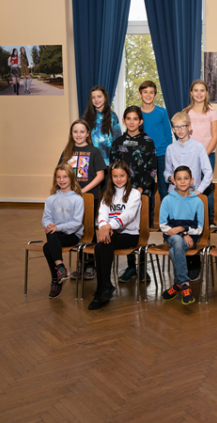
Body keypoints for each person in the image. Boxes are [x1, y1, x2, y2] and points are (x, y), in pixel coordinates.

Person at [164, 111, 213, 282]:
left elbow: (208, 172)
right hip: (175, 197)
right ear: (173, 129)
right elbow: (166, 171)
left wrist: (199, 191)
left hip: (192, 197)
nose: (180, 130)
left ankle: (193, 261)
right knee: (176, 230)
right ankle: (183, 268)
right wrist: (171, 177)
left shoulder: (198, 147)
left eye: (183, 126)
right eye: (176, 127)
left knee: (191, 230)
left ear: (189, 127)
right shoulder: (170, 149)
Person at [111, 106, 157, 283]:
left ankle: (143, 267)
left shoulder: (148, 142)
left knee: (141, 228)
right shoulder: (117, 143)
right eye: (128, 118)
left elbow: (152, 169)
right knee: (125, 228)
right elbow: (113, 168)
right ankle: (131, 267)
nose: (131, 122)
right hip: (122, 194)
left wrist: (139, 191)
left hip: (142, 193)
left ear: (140, 121)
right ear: (123, 121)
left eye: (135, 119)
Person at [89, 161, 142, 310]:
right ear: (111, 178)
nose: (118, 179)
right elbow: (102, 214)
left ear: (128, 176)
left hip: (130, 234)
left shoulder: (134, 194)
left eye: (122, 175)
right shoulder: (108, 194)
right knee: (101, 246)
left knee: (102, 245)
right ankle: (104, 286)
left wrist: (108, 226)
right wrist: (104, 226)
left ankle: (102, 288)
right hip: (111, 233)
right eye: (115, 176)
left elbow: (128, 215)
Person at [58, 120, 106, 280]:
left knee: (89, 229)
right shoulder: (67, 152)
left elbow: (100, 175)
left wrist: (82, 191)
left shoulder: (94, 151)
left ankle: (91, 265)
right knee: (76, 229)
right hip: (70, 198)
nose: (78, 135)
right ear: (71, 134)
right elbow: (60, 173)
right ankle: (81, 265)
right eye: (75, 131)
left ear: (87, 134)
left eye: (82, 131)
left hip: (88, 197)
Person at [159, 166, 205, 306]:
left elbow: (199, 229)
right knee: (177, 241)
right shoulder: (167, 200)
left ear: (192, 180)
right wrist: (183, 232)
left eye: (186, 178)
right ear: (174, 181)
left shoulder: (197, 202)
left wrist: (183, 229)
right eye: (179, 179)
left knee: (174, 251)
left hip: (191, 238)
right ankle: (185, 283)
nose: (183, 181)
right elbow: (163, 226)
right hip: (172, 237)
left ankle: (178, 284)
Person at [42, 165, 85, 298]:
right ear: (55, 179)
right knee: (50, 236)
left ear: (71, 178)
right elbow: (46, 218)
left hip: (72, 234)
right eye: (58, 177)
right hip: (56, 234)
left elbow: (77, 223)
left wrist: (57, 227)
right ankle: (60, 269)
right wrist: (49, 225)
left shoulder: (78, 199)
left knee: (48, 246)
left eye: (65, 177)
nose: (62, 180)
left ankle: (56, 278)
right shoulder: (50, 199)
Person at [184, 79, 217, 224]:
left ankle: (209, 218)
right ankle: (191, 217)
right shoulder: (186, 112)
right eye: (196, 90)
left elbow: (215, 136)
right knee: (190, 185)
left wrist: (204, 155)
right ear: (191, 93)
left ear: (206, 93)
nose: (199, 93)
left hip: (208, 154)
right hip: (190, 156)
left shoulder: (212, 111)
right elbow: (183, 136)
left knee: (207, 185)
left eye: (202, 90)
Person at [138, 80, 172, 204]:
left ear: (155, 95)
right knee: (148, 188)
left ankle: (166, 215)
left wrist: (169, 154)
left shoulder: (162, 112)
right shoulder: (137, 113)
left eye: (151, 92)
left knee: (163, 187)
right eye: (145, 92)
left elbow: (168, 134)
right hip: (145, 156)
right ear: (139, 94)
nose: (148, 95)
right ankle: (149, 216)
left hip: (162, 154)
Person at [82, 85, 122, 168]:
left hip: (108, 162)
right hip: (89, 162)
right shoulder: (85, 117)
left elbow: (118, 140)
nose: (96, 100)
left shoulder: (113, 116)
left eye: (99, 96)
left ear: (105, 97)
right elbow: (81, 139)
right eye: (93, 97)